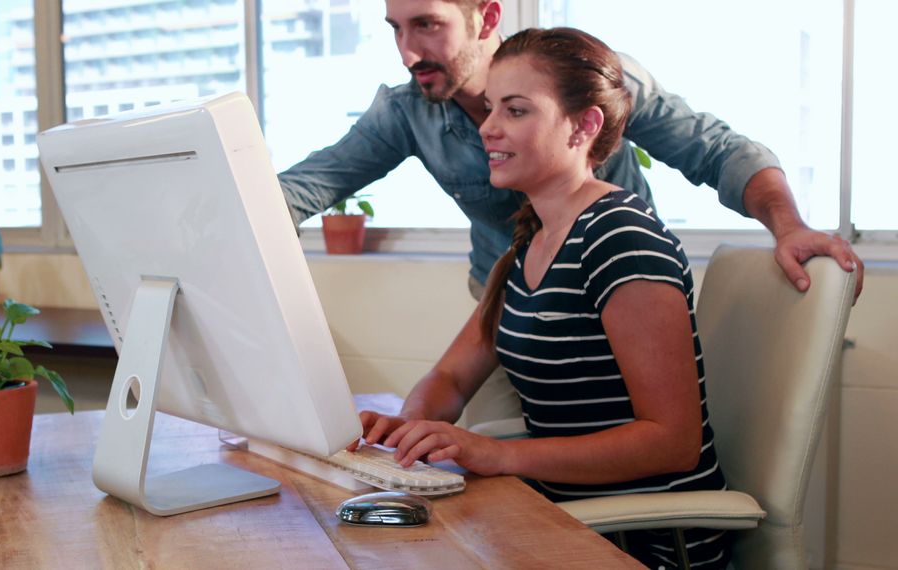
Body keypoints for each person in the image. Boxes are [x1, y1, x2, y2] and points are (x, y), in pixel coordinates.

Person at [277, 0, 862, 426]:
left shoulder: (588, 87)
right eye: (396, 29)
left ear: (485, 16)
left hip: (617, 305)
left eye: (427, 25)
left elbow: (717, 149)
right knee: (469, 460)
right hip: (517, 318)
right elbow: (307, 185)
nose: (408, 51)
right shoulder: (410, 115)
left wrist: (788, 225)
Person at [351, 27, 730, 568]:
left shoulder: (622, 238)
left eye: (516, 110)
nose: (488, 128)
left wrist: (500, 454)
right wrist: (412, 431)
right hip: (566, 519)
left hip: (645, 544)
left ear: (584, 126)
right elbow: (453, 376)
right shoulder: (531, 238)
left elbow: (671, 442)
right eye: (490, 109)